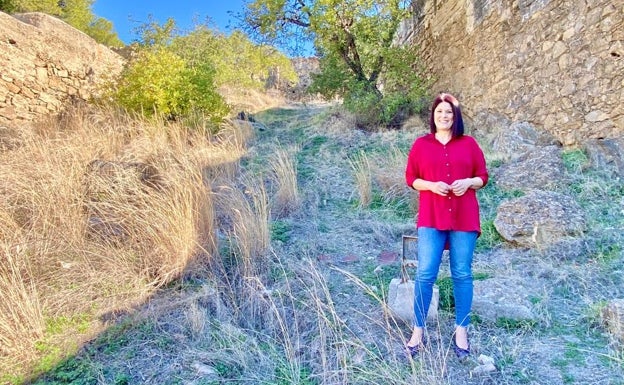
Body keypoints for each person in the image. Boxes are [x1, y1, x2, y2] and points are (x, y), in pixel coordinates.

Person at [404, 93, 488, 360]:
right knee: (425, 274)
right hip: (431, 216)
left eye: (449, 113)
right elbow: (411, 178)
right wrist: (431, 185)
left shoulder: (469, 144)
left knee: (462, 274)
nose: (444, 116)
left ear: (456, 117)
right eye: (440, 112)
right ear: (433, 116)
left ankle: (461, 331)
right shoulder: (421, 145)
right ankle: (418, 331)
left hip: (464, 216)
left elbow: (483, 176)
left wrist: (469, 182)